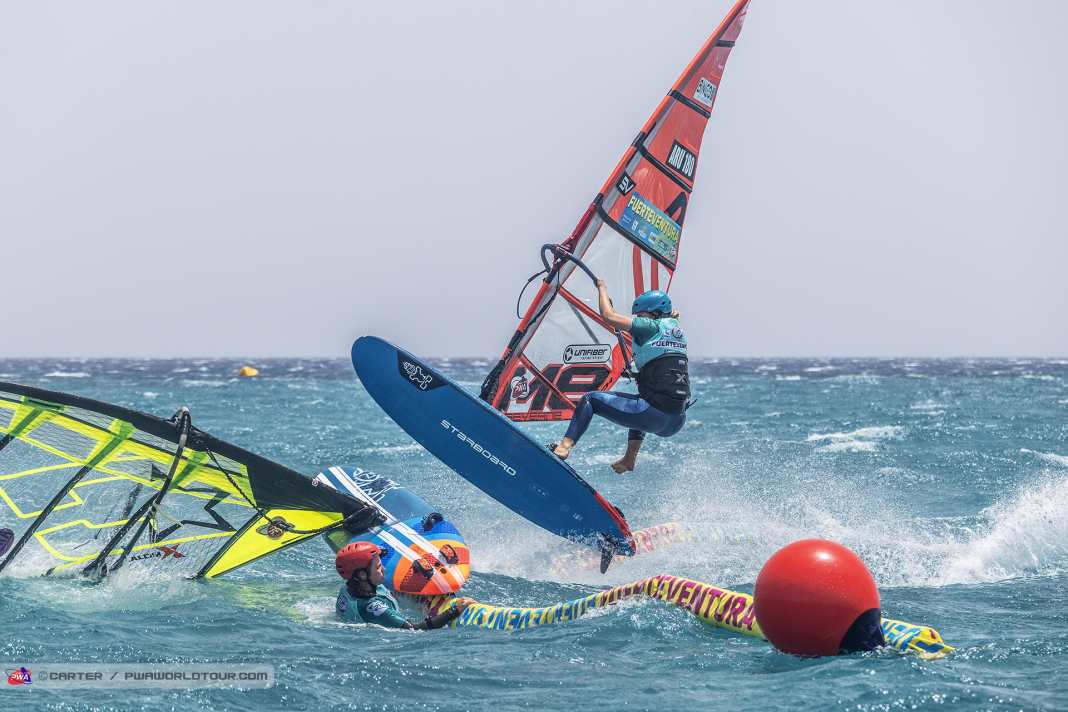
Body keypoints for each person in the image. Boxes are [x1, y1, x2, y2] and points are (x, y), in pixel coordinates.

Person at [552, 282, 690, 473]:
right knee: (641, 402)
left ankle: (564, 447)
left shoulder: (649, 327)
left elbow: (609, 317)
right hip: (675, 421)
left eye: (641, 316)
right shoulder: (676, 331)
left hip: (653, 416)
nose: (638, 320)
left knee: (590, 399)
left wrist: (602, 288)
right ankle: (629, 459)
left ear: (655, 314)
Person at [334, 541, 470, 629]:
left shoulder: (348, 587)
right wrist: (454, 611)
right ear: (362, 575)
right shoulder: (374, 608)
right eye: (378, 567)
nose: (384, 570)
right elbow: (416, 629)